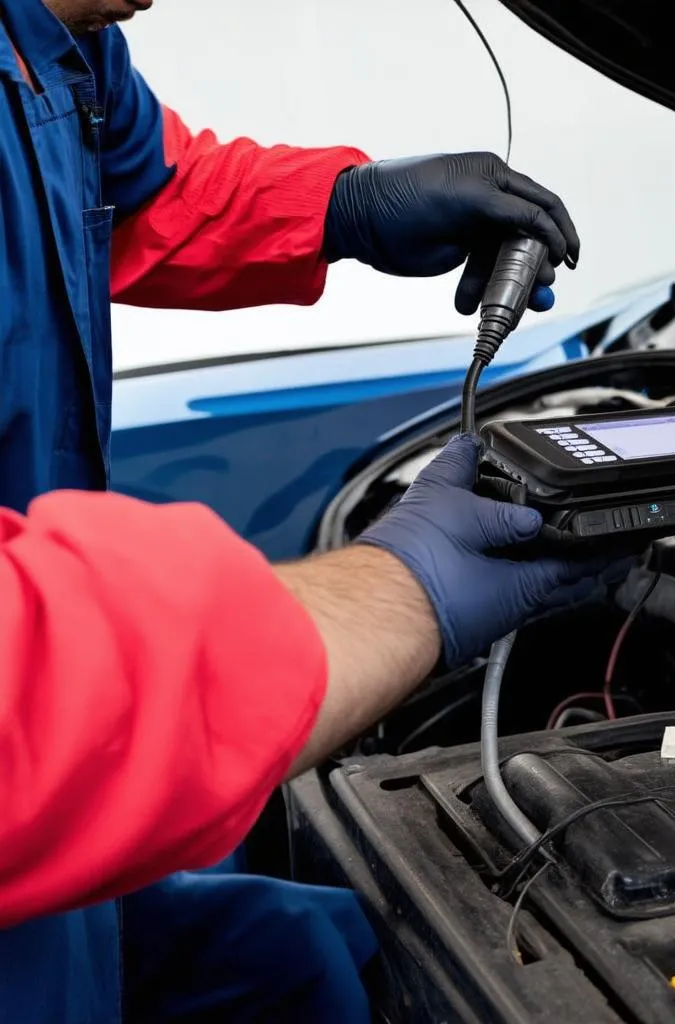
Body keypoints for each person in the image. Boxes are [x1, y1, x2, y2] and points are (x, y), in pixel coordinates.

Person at [0, 0, 603, 1020]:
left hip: (57, 823)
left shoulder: (58, 42)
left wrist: (343, 205)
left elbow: (142, 190)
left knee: (304, 955)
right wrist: (394, 590)